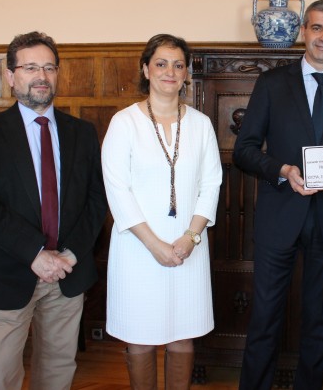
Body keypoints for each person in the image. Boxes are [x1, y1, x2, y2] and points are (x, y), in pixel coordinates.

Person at [233, 0, 323, 390]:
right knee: (265, 318)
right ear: (303, 32)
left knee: (320, 319)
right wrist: (282, 170)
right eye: (316, 28)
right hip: (280, 217)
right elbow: (245, 151)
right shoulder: (272, 83)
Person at [0, 31, 108, 390]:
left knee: (58, 368)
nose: (41, 76)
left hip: (67, 274)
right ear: (11, 76)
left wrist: (69, 254)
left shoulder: (83, 132)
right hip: (9, 271)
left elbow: (96, 200)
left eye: (48, 67)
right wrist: (35, 254)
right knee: (0, 374)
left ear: (57, 74)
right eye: (30, 67)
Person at [101, 34, 222, 389]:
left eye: (178, 64)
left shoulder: (201, 124)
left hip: (189, 248)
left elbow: (211, 184)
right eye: (161, 63)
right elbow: (117, 190)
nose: (170, 71)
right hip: (137, 248)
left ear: (187, 74)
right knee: (139, 335)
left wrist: (191, 237)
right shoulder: (124, 123)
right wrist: (155, 245)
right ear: (146, 69)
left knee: (182, 334)